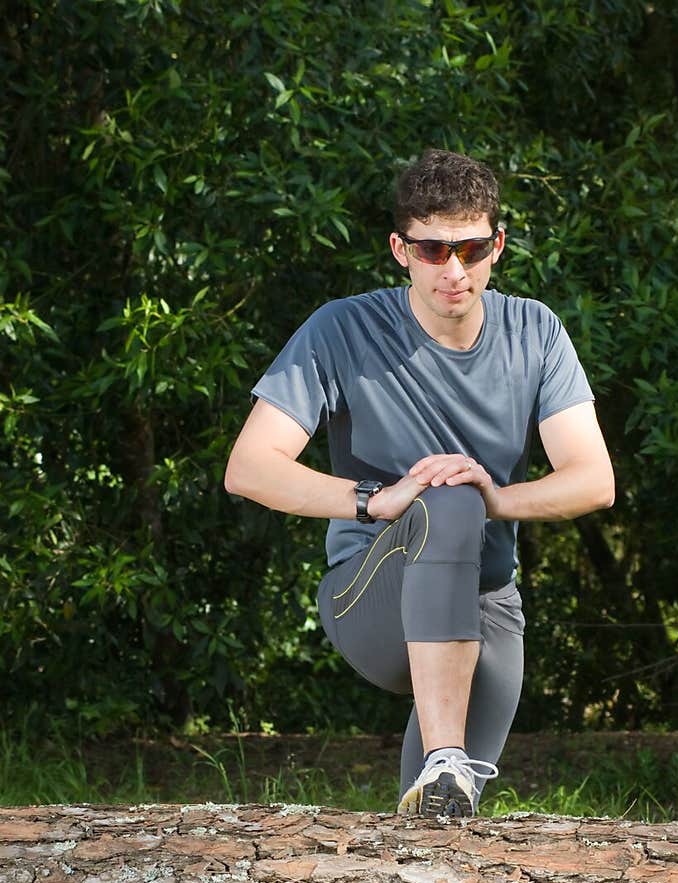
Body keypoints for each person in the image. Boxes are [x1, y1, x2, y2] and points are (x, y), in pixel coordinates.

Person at [225, 148, 615, 818]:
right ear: (400, 249)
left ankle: (437, 781)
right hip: (370, 595)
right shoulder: (342, 328)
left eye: (469, 248)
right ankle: (444, 754)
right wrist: (373, 500)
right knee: (448, 493)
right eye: (432, 251)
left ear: (497, 244)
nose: (454, 270)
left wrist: (499, 496)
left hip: (488, 605)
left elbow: (593, 479)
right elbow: (249, 467)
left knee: (435, 829)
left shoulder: (536, 331)